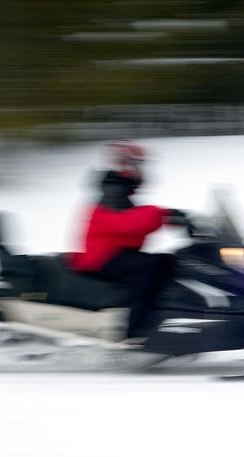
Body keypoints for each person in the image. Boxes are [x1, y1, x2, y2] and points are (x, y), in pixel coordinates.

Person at [68, 140, 185, 339]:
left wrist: (180, 218)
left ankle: (165, 316)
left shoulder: (119, 191)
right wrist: (163, 214)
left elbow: (136, 219)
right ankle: (135, 330)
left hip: (116, 254)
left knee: (167, 262)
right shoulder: (112, 190)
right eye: (137, 164)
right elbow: (126, 223)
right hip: (102, 258)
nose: (140, 170)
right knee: (146, 267)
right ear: (124, 164)